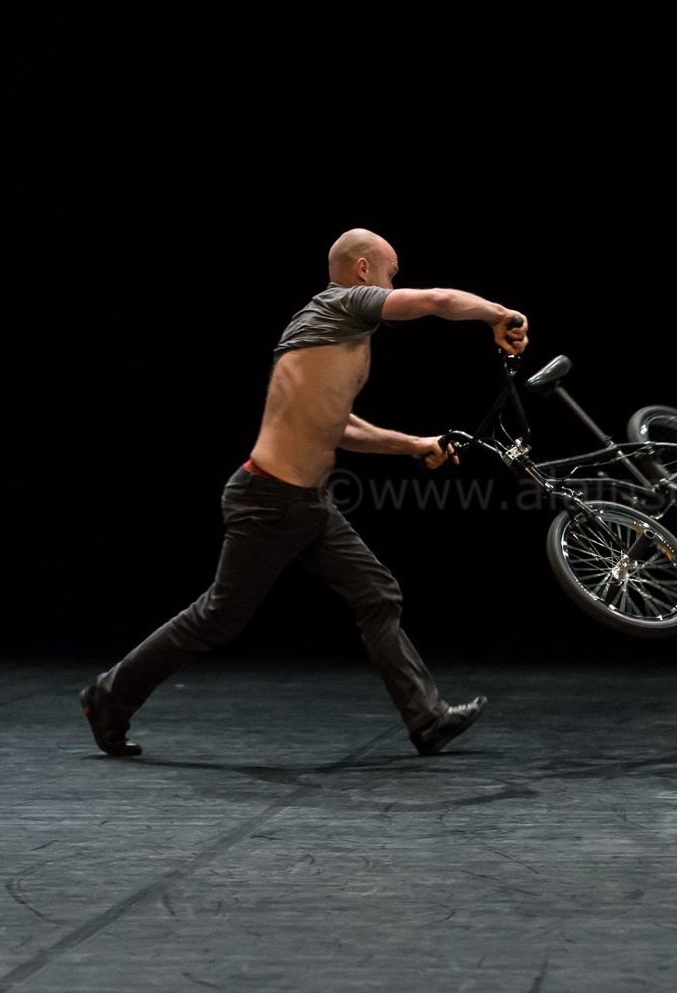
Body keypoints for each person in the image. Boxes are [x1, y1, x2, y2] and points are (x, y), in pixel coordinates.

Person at [80, 228, 528, 758]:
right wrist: (497, 314)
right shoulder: (344, 303)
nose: (392, 284)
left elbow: (336, 425)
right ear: (363, 270)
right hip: (270, 499)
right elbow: (438, 301)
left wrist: (413, 445)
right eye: (390, 273)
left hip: (306, 503)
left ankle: (426, 719)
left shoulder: (328, 329)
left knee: (377, 594)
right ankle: (107, 697)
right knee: (217, 618)